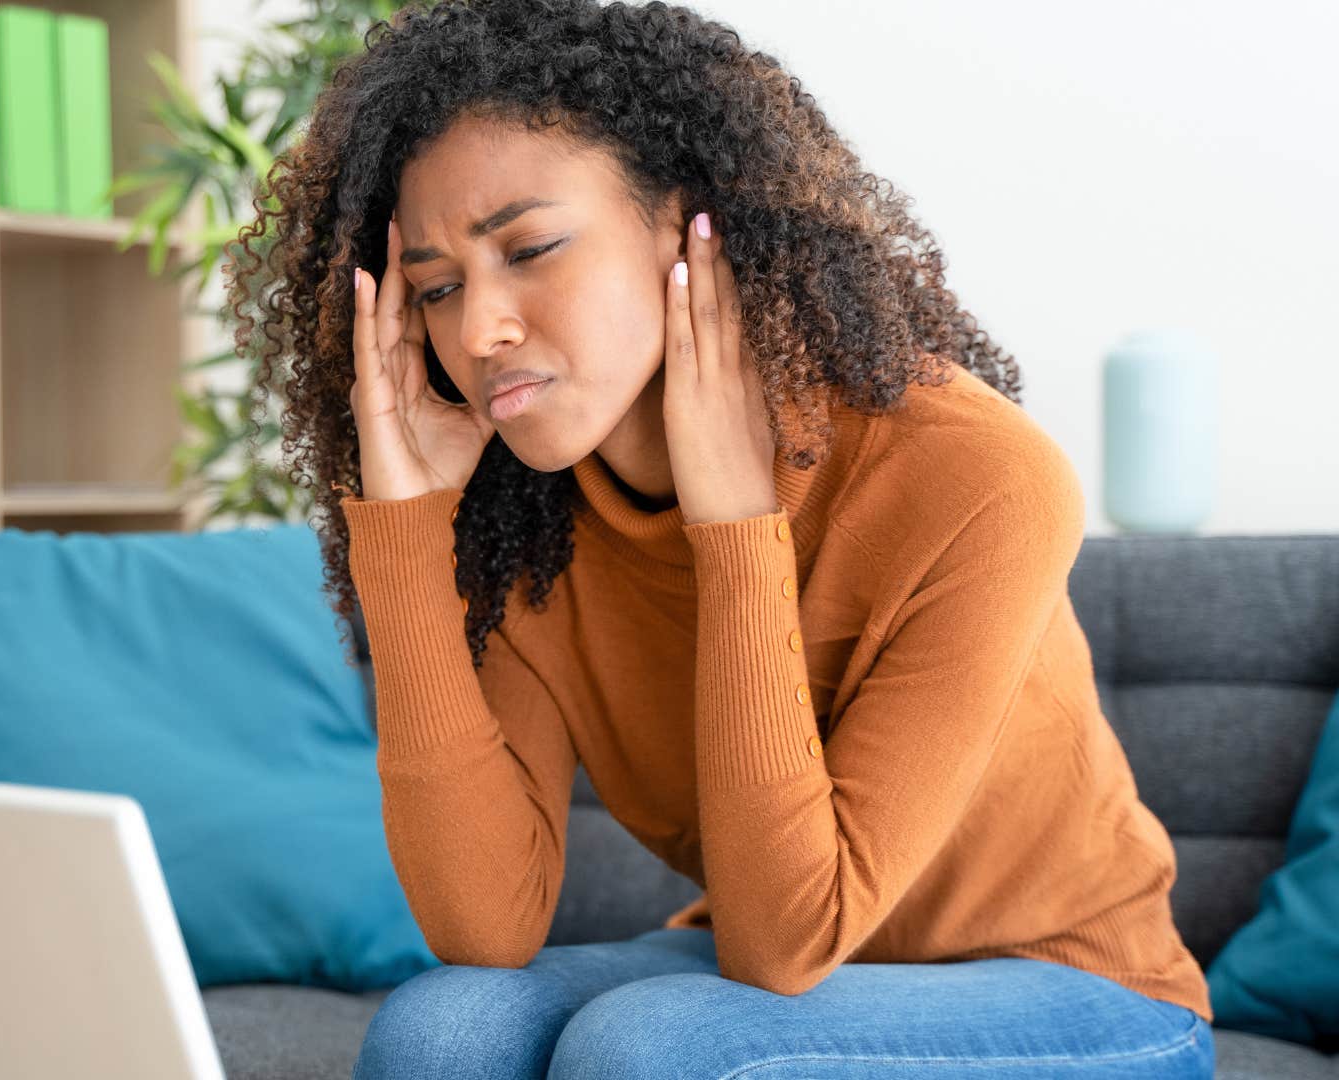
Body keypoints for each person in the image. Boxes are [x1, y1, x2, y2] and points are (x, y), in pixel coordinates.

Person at [222, 1, 1215, 1075]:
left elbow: (788, 943)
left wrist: (737, 532)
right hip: (771, 978)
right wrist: (405, 533)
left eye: (532, 248)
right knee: (442, 1028)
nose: (478, 330)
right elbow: (483, 930)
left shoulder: (973, 476)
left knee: (650, 1048)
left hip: (1081, 995)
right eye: (439, 287)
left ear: (684, 228)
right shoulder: (522, 520)